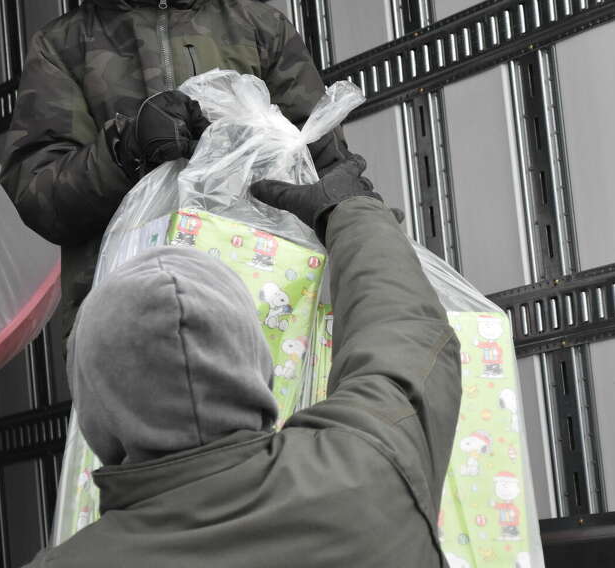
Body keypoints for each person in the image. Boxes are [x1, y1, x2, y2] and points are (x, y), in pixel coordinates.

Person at [0, 0, 348, 337]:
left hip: (264, 302)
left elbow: (321, 156)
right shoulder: (61, 47)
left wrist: (357, 218)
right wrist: (125, 148)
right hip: (123, 318)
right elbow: (39, 195)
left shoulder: (260, 29)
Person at [24, 156, 462, 567]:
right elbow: (403, 329)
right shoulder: (370, 470)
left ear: (94, 415)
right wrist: (349, 210)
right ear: (260, 361)